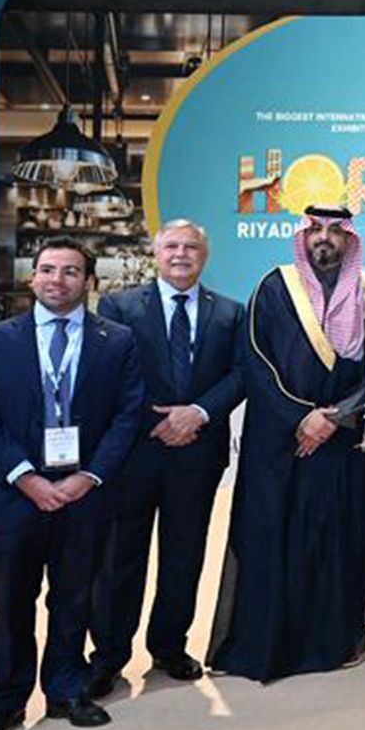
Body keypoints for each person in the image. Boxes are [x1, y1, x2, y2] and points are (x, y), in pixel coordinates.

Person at [0, 237, 145, 730]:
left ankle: (65, 689)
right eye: (47, 269)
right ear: (32, 277)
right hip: (14, 494)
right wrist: (26, 477)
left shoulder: (118, 341)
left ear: (89, 282)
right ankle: (5, 702)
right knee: (11, 603)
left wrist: (90, 477)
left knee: (74, 598)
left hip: (86, 494)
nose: (56, 280)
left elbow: (128, 416)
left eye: (70, 271)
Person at [207, 206, 365, 682]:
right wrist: (301, 418)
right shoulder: (274, 286)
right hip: (282, 443)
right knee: (276, 537)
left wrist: (334, 418)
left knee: (339, 542)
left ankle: (335, 642)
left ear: (349, 240)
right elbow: (256, 362)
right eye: (315, 230)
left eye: (335, 230)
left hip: (344, 442)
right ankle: (270, 645)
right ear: (303, 236)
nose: (324, 238)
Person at [86, 219, 244, 698]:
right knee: (119, 559)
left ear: (204, 255)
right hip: (133, 452)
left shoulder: (230, 312)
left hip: (198, 453)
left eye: (191, 246)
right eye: (171, 245)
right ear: (155, 253)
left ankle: (170, 647)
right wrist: (158, 420)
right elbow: (110, 374)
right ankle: (108, 656)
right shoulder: (119, 306)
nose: (181, 254)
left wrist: (197, 413)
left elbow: (241, 374)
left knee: (184, 555)